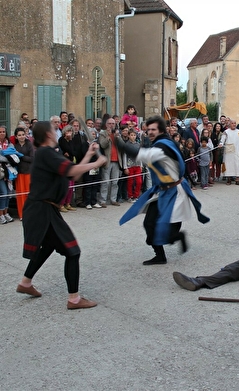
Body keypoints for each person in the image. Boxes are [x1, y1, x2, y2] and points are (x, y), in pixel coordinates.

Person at [16, 121, 107, 309]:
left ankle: (25, 283)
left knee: (48, 245)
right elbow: (72, 171)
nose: (56, 132)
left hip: (45, 209)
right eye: (53, 130)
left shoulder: (48, 154)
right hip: (42, 210)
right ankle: (74, 299)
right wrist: (97, 162)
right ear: (49, 135)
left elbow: (70, 175)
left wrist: (89, 155)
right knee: (73, 251)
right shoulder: (45, 153)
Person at [115, 115, 210, 265]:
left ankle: (178, 237)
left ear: (160, 130)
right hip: (162, 191)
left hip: (176, 193)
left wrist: (118, 143)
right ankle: (160, 255)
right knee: (150, 224)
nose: (150, 132)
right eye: (149, 129)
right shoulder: (160, 143)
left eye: (153, 129)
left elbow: (142, 155)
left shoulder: (162, 146)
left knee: (169, 231)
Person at [14, 127, 34, 220]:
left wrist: (21, 157)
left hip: (28, 172)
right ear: (16, 136)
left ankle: (30, 213)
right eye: (19, 135)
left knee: (29, 194)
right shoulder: (15, 146)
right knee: (20, 194)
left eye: (23, 135)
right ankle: (22, 214)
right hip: (19, 173)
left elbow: (32, 159)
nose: (21, 137)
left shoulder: (29, 145)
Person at [219, 119, 239, 186]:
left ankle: (237, 180)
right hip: (228, 152)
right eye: (232, 123)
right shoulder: (226, 132)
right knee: (228, 165)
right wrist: (221, 144)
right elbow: (222, 140)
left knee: (237, 165)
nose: (234, 124)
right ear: (229, 124)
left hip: (237, 152)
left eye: (235, 123)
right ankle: (229, 179)